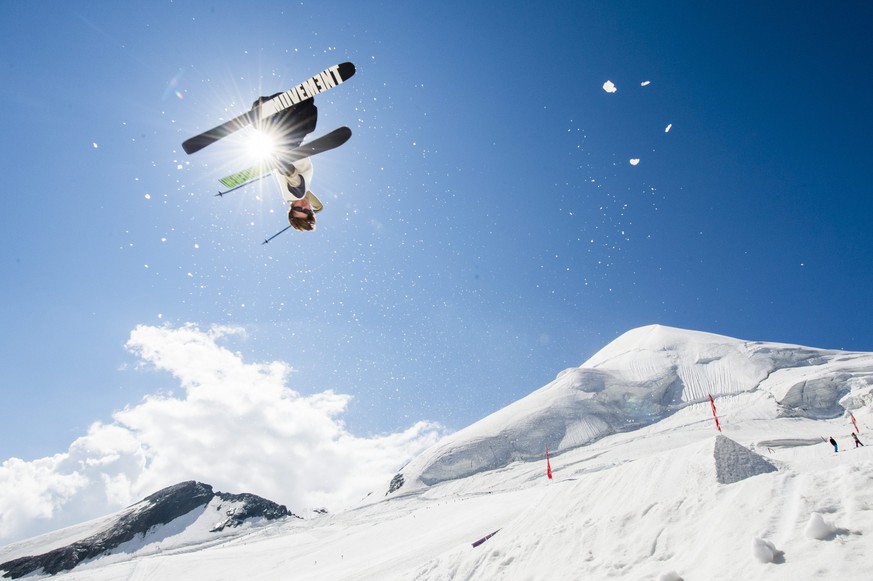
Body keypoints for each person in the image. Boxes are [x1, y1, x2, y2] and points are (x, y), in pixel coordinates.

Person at [251, 94, 322, 231]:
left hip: (287, 147)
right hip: (287, 145)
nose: (303, 205)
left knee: (300, 121)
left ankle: (263, 114)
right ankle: (263, 115)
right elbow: (307, 194)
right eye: (306, 210)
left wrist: (287, 169)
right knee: (308, 117)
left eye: (297, 208)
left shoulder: (295, 194)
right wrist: (317, 207)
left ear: (291, 207)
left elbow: (296, 185)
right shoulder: (300, 195)